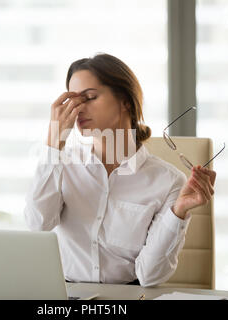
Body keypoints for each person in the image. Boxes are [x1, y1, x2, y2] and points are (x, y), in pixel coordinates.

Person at [24, 53, 216, 287]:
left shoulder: (168, 181)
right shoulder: (60, 164)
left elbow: (149, 276)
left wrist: (178, 212)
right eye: (73, 101)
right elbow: (38, 225)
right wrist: (53, 145)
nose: (78, 110)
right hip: (66, 295)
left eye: (90, 97)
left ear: (126, 100)